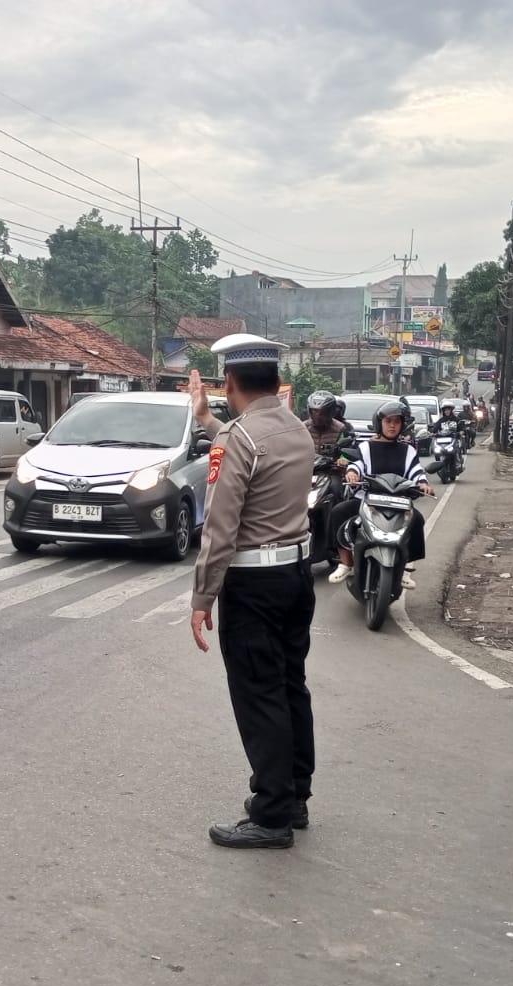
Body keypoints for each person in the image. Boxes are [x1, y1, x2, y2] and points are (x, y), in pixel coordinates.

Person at [189, 333, 317, 850]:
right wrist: (207, 421)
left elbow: (219, 529)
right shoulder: (297, 430)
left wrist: (202, 599)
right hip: (294, 578)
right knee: (289, 687)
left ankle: (271, 816)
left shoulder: (237, 440)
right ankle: (294, 797)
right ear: (276, 380)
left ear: (230, 382)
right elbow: (247, 446)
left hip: (253, 585)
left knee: (258, 694)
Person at [326, 399, 433, 588]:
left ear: (402, 425)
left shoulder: (407, 450)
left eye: (397, 422)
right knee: (338, 512)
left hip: (398, 501)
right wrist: (352, 473)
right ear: (380, 423)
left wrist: (423, 483)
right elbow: (357, 464)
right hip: (366, 499)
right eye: (388, 421)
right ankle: (345, 563)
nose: (392, 425)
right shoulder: (366, 447)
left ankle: (406, 568)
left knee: (418, 520)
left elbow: (416, 470)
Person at [305, 390, 355, 470]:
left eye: (323, 412)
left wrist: (343, 459)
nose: (318, 416)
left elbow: (347, 451)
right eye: (315, 411)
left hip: (330, 473)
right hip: (305, 471)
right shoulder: (302, 428)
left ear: (330, 412)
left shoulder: (341, 429)